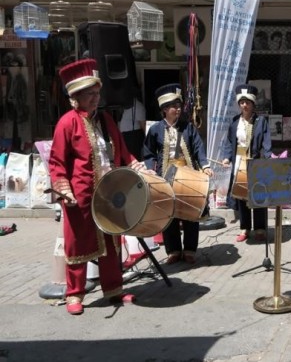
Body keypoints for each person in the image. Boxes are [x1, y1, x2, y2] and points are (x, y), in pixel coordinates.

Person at [48, 58, 146, 315]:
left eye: (97, 92)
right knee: (78, 245)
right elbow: (57, 162)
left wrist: (135, 166)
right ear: (75, 97)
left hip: (110, 195)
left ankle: (113, 288)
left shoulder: (106, 121)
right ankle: (74, 294)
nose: (96, 98)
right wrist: (63, 189)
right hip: (80, 195)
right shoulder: (67, 123)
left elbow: (123, 153)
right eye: (90, 94)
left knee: (112, 242)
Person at [143, 83, 213, 265]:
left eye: (179, 105)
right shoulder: (155, 130)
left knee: (190, 212)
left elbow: (198, 148)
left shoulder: (187, 128)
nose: (178, 109)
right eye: (174, 106)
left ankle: (190, 249)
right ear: (164, 109)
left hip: (187, 175)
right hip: (165, 177)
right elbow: (148, 153)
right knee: (169, 215)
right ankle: (173, 250)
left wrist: (204, 165)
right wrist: (150, 168)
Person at [221, 84, 272, 243]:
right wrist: (227, 157)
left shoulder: (261, 121)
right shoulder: (235, 122)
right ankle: (245, 227)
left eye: (247, 102)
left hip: (256, 162)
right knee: (242, 196)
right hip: (239, 162)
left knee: (258, 195)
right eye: (242, 102)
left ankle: (260, 228)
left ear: (253, 104)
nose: (244, 105)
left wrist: (267, 157)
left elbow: (266, 141)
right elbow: (230, 142)